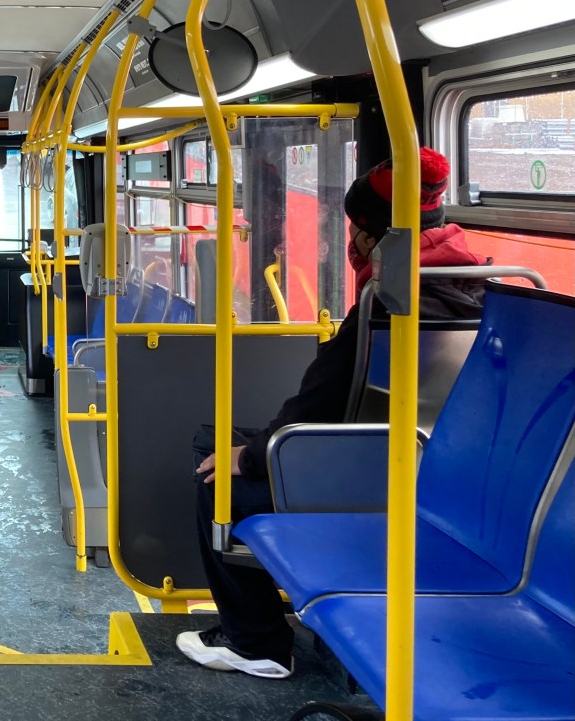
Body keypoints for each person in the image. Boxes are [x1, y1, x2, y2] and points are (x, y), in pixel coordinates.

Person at [177, 147, 486, 679]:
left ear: (374, 237)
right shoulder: (477, 287)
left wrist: (250, 458)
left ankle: (257, 643)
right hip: (444, 475)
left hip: (366, 473)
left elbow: (318, 403)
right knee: (230, 444)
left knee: (216, 483)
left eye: (355, 231)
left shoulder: (382, 308)